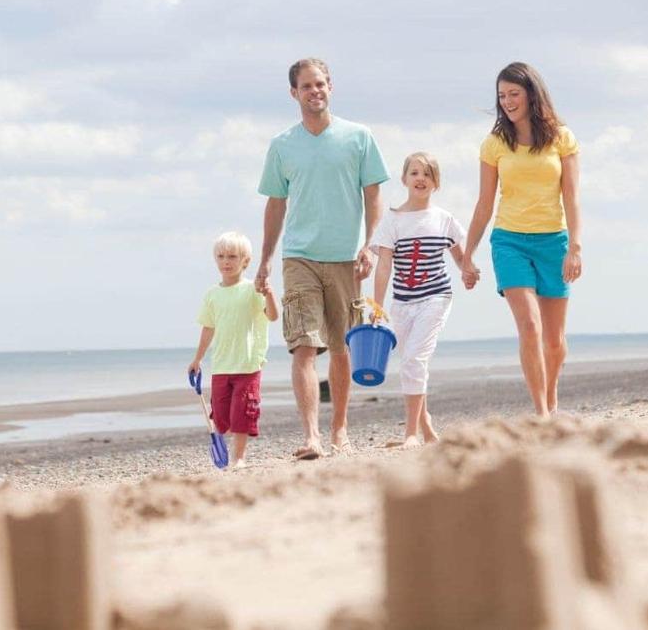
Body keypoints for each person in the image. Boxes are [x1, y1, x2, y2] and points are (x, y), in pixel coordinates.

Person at [256, 58, 390, 459]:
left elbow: (373, 195)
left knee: (340, 347)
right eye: (307, 86)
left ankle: (339, 430)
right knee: (303, 346)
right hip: (298, 256)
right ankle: (312, 435)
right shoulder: (282, 146)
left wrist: (370, 245)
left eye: (321, 84)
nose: (315, 91)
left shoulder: (359, 137)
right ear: (293, 93)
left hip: (346, 258)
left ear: (331, 86)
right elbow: (275, 205)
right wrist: (265, 259)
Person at [461, 62, 583, 417]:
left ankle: (552, 393)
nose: (508, 101)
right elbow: (485, 204)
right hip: (509, 241)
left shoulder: (562, 138)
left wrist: (575, 247)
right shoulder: (495, 143)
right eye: (502, 96)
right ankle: (542, 414)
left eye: (514, 93)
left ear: (532, 93)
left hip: (553, 242)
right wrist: (468, 254)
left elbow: (571, 197)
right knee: (530, 326)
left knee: (555, 342)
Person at [372, 152, 466, 448]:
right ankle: (427, 430)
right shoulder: (393, 220)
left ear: (435, 183)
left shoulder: (444, 219)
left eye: (427, 174)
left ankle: (410, 434)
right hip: (402, 302)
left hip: (435, 297)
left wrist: (469, 271)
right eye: (414, 173)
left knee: (415, 359)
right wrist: (376, 306)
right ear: (404, 179)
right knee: (410, 364)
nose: (420, 178)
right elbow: (384, 264)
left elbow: (460, 255)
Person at [188, 231, 278, 469]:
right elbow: (208, 328)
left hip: (248, 364)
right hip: (221, 366)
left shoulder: (252, 290)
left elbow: (273, 316)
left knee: (243, 413)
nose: (226, 261)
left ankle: (239, 457)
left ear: (245, 261)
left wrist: (269, 294)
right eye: (221, 256)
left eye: (232, 256)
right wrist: (197, 358)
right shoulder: (212, 295)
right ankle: (221, 453)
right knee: (220, 415)